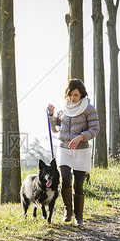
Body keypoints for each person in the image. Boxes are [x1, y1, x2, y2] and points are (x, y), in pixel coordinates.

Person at [47, 79, 99, 227]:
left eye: (75, 95)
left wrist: (81, 137)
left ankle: (79, 217)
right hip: (64, 148)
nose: (72, 98)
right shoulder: (64, 108)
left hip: (80, 151)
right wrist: (51, 115)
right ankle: (67, 211)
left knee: (78, 184)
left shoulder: (89, 109)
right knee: (64, 178)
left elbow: (95, 129)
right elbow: (56, 127)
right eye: (70, 95)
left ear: (82, 94)